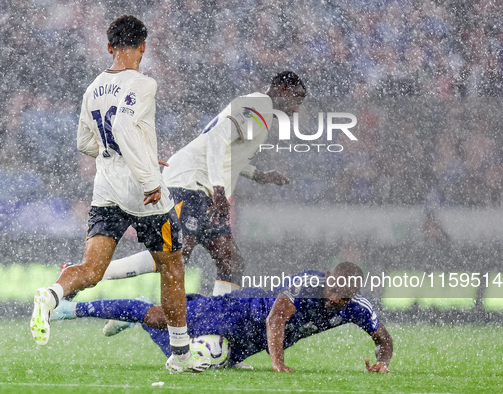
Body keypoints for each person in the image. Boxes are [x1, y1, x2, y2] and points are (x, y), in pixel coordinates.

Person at [30, 15, 209, 374]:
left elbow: (85, 143)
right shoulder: (143, 83)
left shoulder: (93, 88)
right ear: (143, 46)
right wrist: (148, 178)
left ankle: (51, 295)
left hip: (106, 189)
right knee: (172, 266)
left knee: (93, 269)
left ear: (110, 47)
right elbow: (125, 125)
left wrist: (120, 154)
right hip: (143, 194)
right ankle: (181, 355)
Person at [98, 71, 306, 298]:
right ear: (283, 91)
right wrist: (218, 188)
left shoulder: (258, 107)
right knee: (176, 253)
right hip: (189, 181)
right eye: (297, 100)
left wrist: (258, 175)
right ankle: (93, 271)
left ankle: (214, 325)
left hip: (200, 186)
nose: (296, 109)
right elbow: (217, 137)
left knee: (231, 262)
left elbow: (225, 151)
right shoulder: (261, 107)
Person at [53, 262, 393, 373]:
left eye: (342, 297)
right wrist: (278, 362)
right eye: (332, 291)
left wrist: (383, 361)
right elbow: (276, 318)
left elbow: (384, 340)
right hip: (237, 312)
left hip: (249, 343)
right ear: (328, 280)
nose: (333, 300)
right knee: (160, 317)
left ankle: (141, 317)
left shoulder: (356, 307)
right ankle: (71, 309)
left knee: (196, 363)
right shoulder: (308, 284)